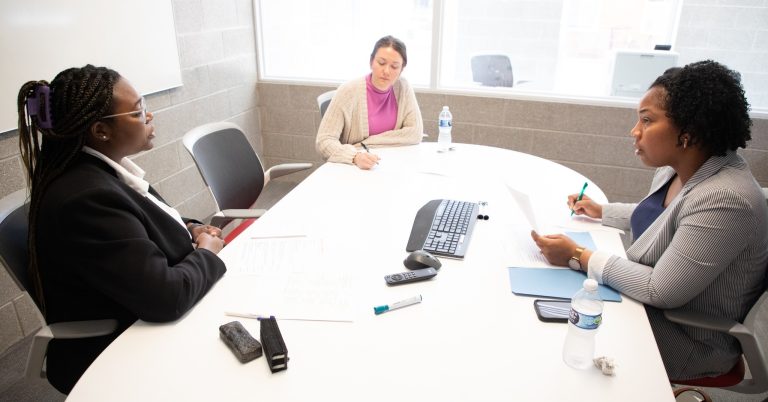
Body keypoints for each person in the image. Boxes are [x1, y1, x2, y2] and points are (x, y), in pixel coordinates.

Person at [531, 60, 768, 381]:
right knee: (555, 309)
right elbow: (665, 217)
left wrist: (578, 255)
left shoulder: (726, 199)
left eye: (647, 120)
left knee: (553, 334)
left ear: (688, 132)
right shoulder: (679, 169)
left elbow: (661, 290)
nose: (635, 131)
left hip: (688, 338)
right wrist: (602, 211)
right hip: (655, 310)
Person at [17, 65, 227, 394]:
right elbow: (167, 297)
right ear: (101, 131)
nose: (149, 116)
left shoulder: (102, 170)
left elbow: (146, 219)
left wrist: (191, 227)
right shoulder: (87, 198)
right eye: (138, 111)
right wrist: (207, 252)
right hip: (118, 349)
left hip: (146, 312)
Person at [316, 35, 423, 170]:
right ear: (371, 62)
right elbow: (324, 141)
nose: (386, 71)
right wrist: (355, 156)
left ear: (401, 69)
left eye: (394, 66)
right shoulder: (348, 91)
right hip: (353, 168)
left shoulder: (403, 86)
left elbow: (415, 133)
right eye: (381, 63)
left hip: (388, 165)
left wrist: (364, 144)